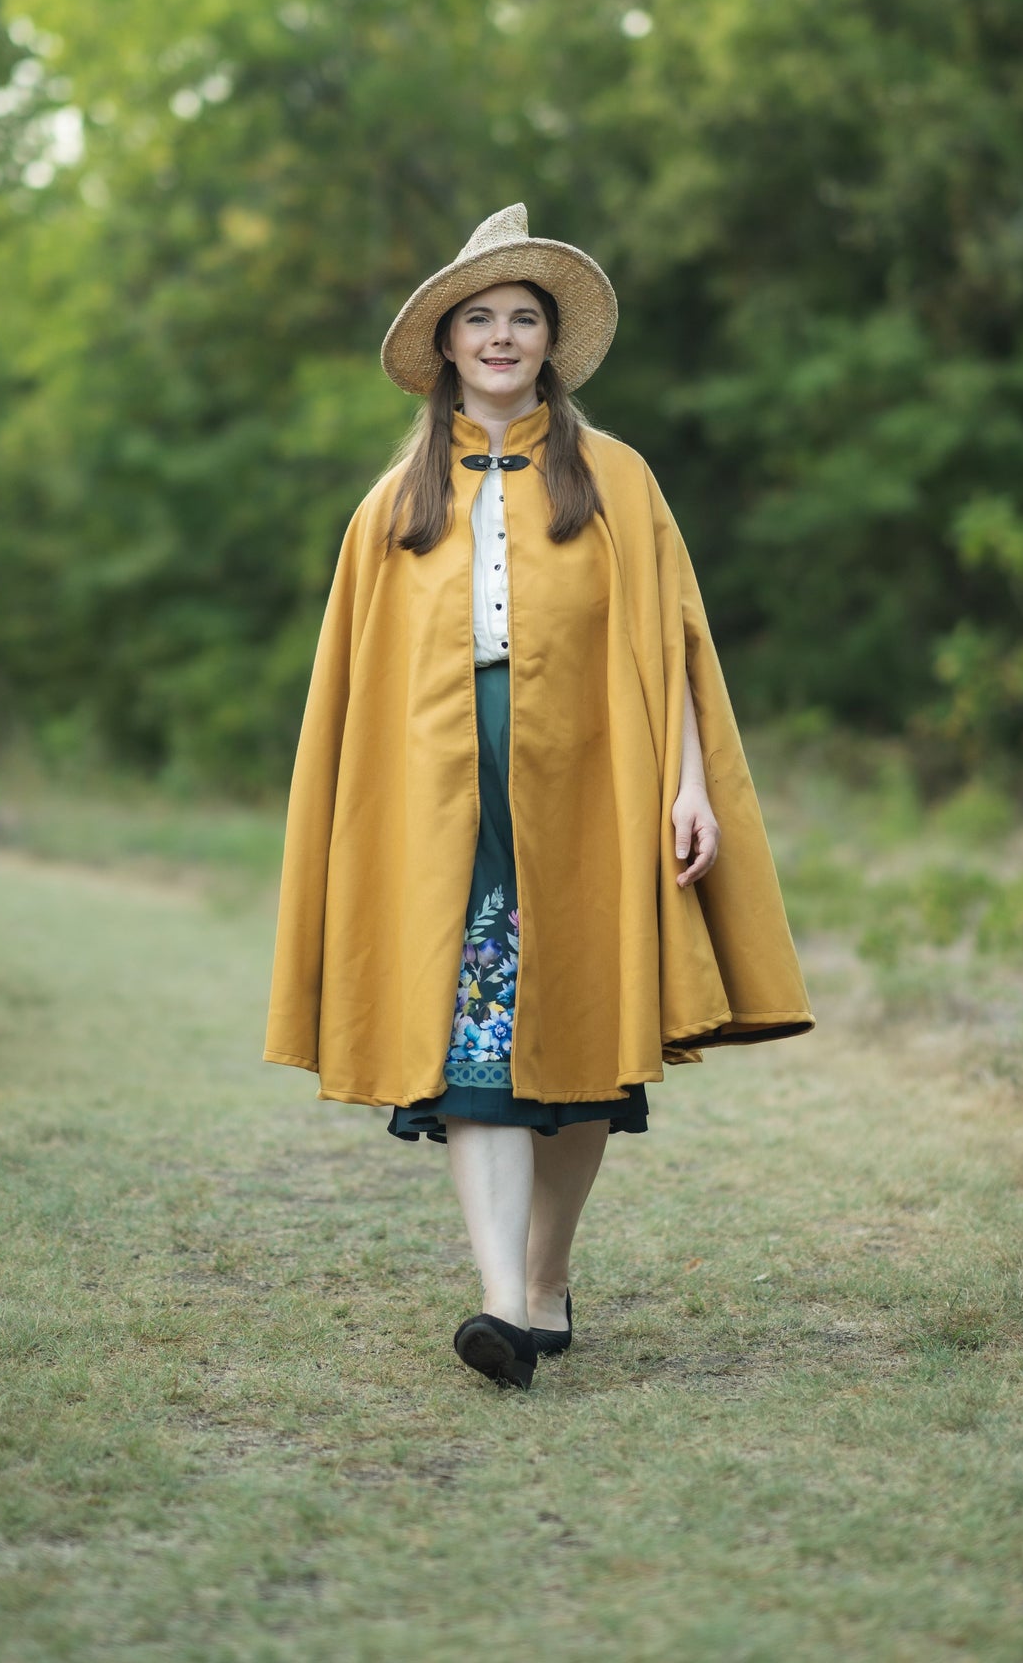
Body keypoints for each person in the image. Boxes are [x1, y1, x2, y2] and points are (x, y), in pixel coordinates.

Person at [264, 202, 813, 1390]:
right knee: (476, 1040)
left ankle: (546, 1273)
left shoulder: (613, 475)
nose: (502, 338)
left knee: (578, 1037)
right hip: (439, 803)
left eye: (522, 319)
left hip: (594, 780)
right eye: (480, 320)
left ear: (548, 344)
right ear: (447, 346)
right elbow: (352, 693)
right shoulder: (394, 501)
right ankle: (502, 1302)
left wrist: (685, 787)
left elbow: (670, 646)